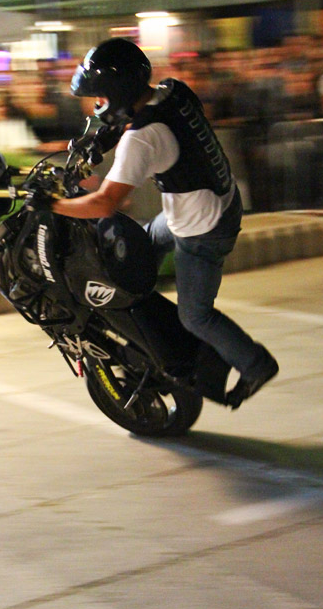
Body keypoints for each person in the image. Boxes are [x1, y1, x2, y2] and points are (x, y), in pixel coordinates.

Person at [51, 38, 278, 409]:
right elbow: (153, 120)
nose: (96, 104)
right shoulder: (174, 91)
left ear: (120, 91)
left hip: (203, 228)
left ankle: (256, 364)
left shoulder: (142, 139)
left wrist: (53, 205)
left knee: (195, 316)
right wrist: (103, 138)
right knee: (141, 245)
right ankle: (147, 323)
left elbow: (105, 203)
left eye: (101, 96)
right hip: (216, 199)